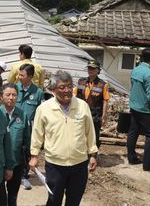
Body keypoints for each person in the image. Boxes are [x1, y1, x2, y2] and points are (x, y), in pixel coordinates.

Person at [29, 70, 98, 206]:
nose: (67, 91)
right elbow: (37, 133)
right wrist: (34, 155)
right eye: (62, 87)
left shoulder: (82, 106)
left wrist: (93, 154)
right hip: (55, 165)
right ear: (54, 90)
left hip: (79, 163)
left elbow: (90, 132)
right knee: (54, 200)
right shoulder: (44, 109)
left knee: (74, 200)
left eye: (69, 86)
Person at [127, 48, 150, 172]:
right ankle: (148, 165)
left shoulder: (135, 70)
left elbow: (133, 87)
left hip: (134, 106)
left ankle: (132, 158)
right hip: (145, 109)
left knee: (133, 132)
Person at [1, 83, 30, 206]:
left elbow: (27, 138)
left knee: (13, 196)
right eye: (8, 95)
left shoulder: (22, 114)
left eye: (14, 95)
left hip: (16, 162)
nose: (11, 98)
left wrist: (28, 157)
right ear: (2, 96)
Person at [16, 63, 43, 190]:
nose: (19, 77)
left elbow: (41, 112)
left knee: (26, 150)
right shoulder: (15, 89)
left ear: (30, 76)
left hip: (30, 128)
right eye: (19, 74)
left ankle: (24, 175)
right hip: (14, 126)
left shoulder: (38, 92)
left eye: (22, 75)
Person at [74, 60, 110, 149]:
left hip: (95, 114)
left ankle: (93, 155)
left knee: (94, 135)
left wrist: (104, 115)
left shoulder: (103, 84)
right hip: (81, 112)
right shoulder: (81, 81)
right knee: (80, 134)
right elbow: (75, 96)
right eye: (89, 68)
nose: (90, 70)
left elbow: (105, 100)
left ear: (98, 70)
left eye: (93, 68)